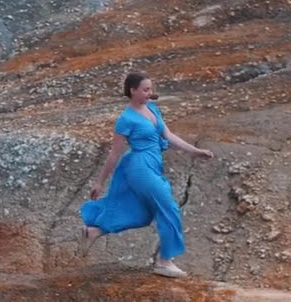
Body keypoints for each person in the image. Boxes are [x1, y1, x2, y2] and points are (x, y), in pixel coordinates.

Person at [79, 72, 213, 278]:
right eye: (145, 90)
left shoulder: (152, 108)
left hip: (153, 165)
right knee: (169, 209)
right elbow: (114, 154)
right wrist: (99, 182)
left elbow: (168, 136)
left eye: (151, 89)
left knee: (143, 215)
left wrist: (195, 152)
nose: (150, 93)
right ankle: (164, 261)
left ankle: (94, 231)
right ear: (133, 91)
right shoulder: (125, 119)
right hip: (139, 167)